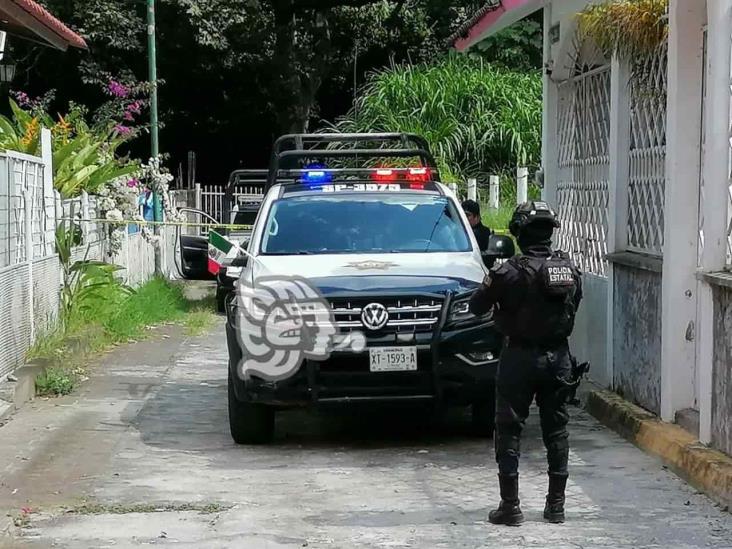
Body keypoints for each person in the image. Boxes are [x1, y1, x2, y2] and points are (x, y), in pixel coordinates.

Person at [469, 201, 583, 526]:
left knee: (508, 429)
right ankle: (556, 506)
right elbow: (574, 306)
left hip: (518, 357)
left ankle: (511, 506)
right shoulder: (568, 269)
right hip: (558, 358)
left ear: (518, 233)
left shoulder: (508, 271)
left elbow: (477, 306)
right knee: (557, 430)